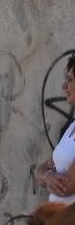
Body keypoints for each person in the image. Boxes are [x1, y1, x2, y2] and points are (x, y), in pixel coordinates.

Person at [33, 54, 75, 205]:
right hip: (57, 216)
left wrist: (47, 176)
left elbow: (66, 187)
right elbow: (40, 171)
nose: (64, 86)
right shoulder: (70, 127)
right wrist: (48, 176)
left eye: (70, 79)